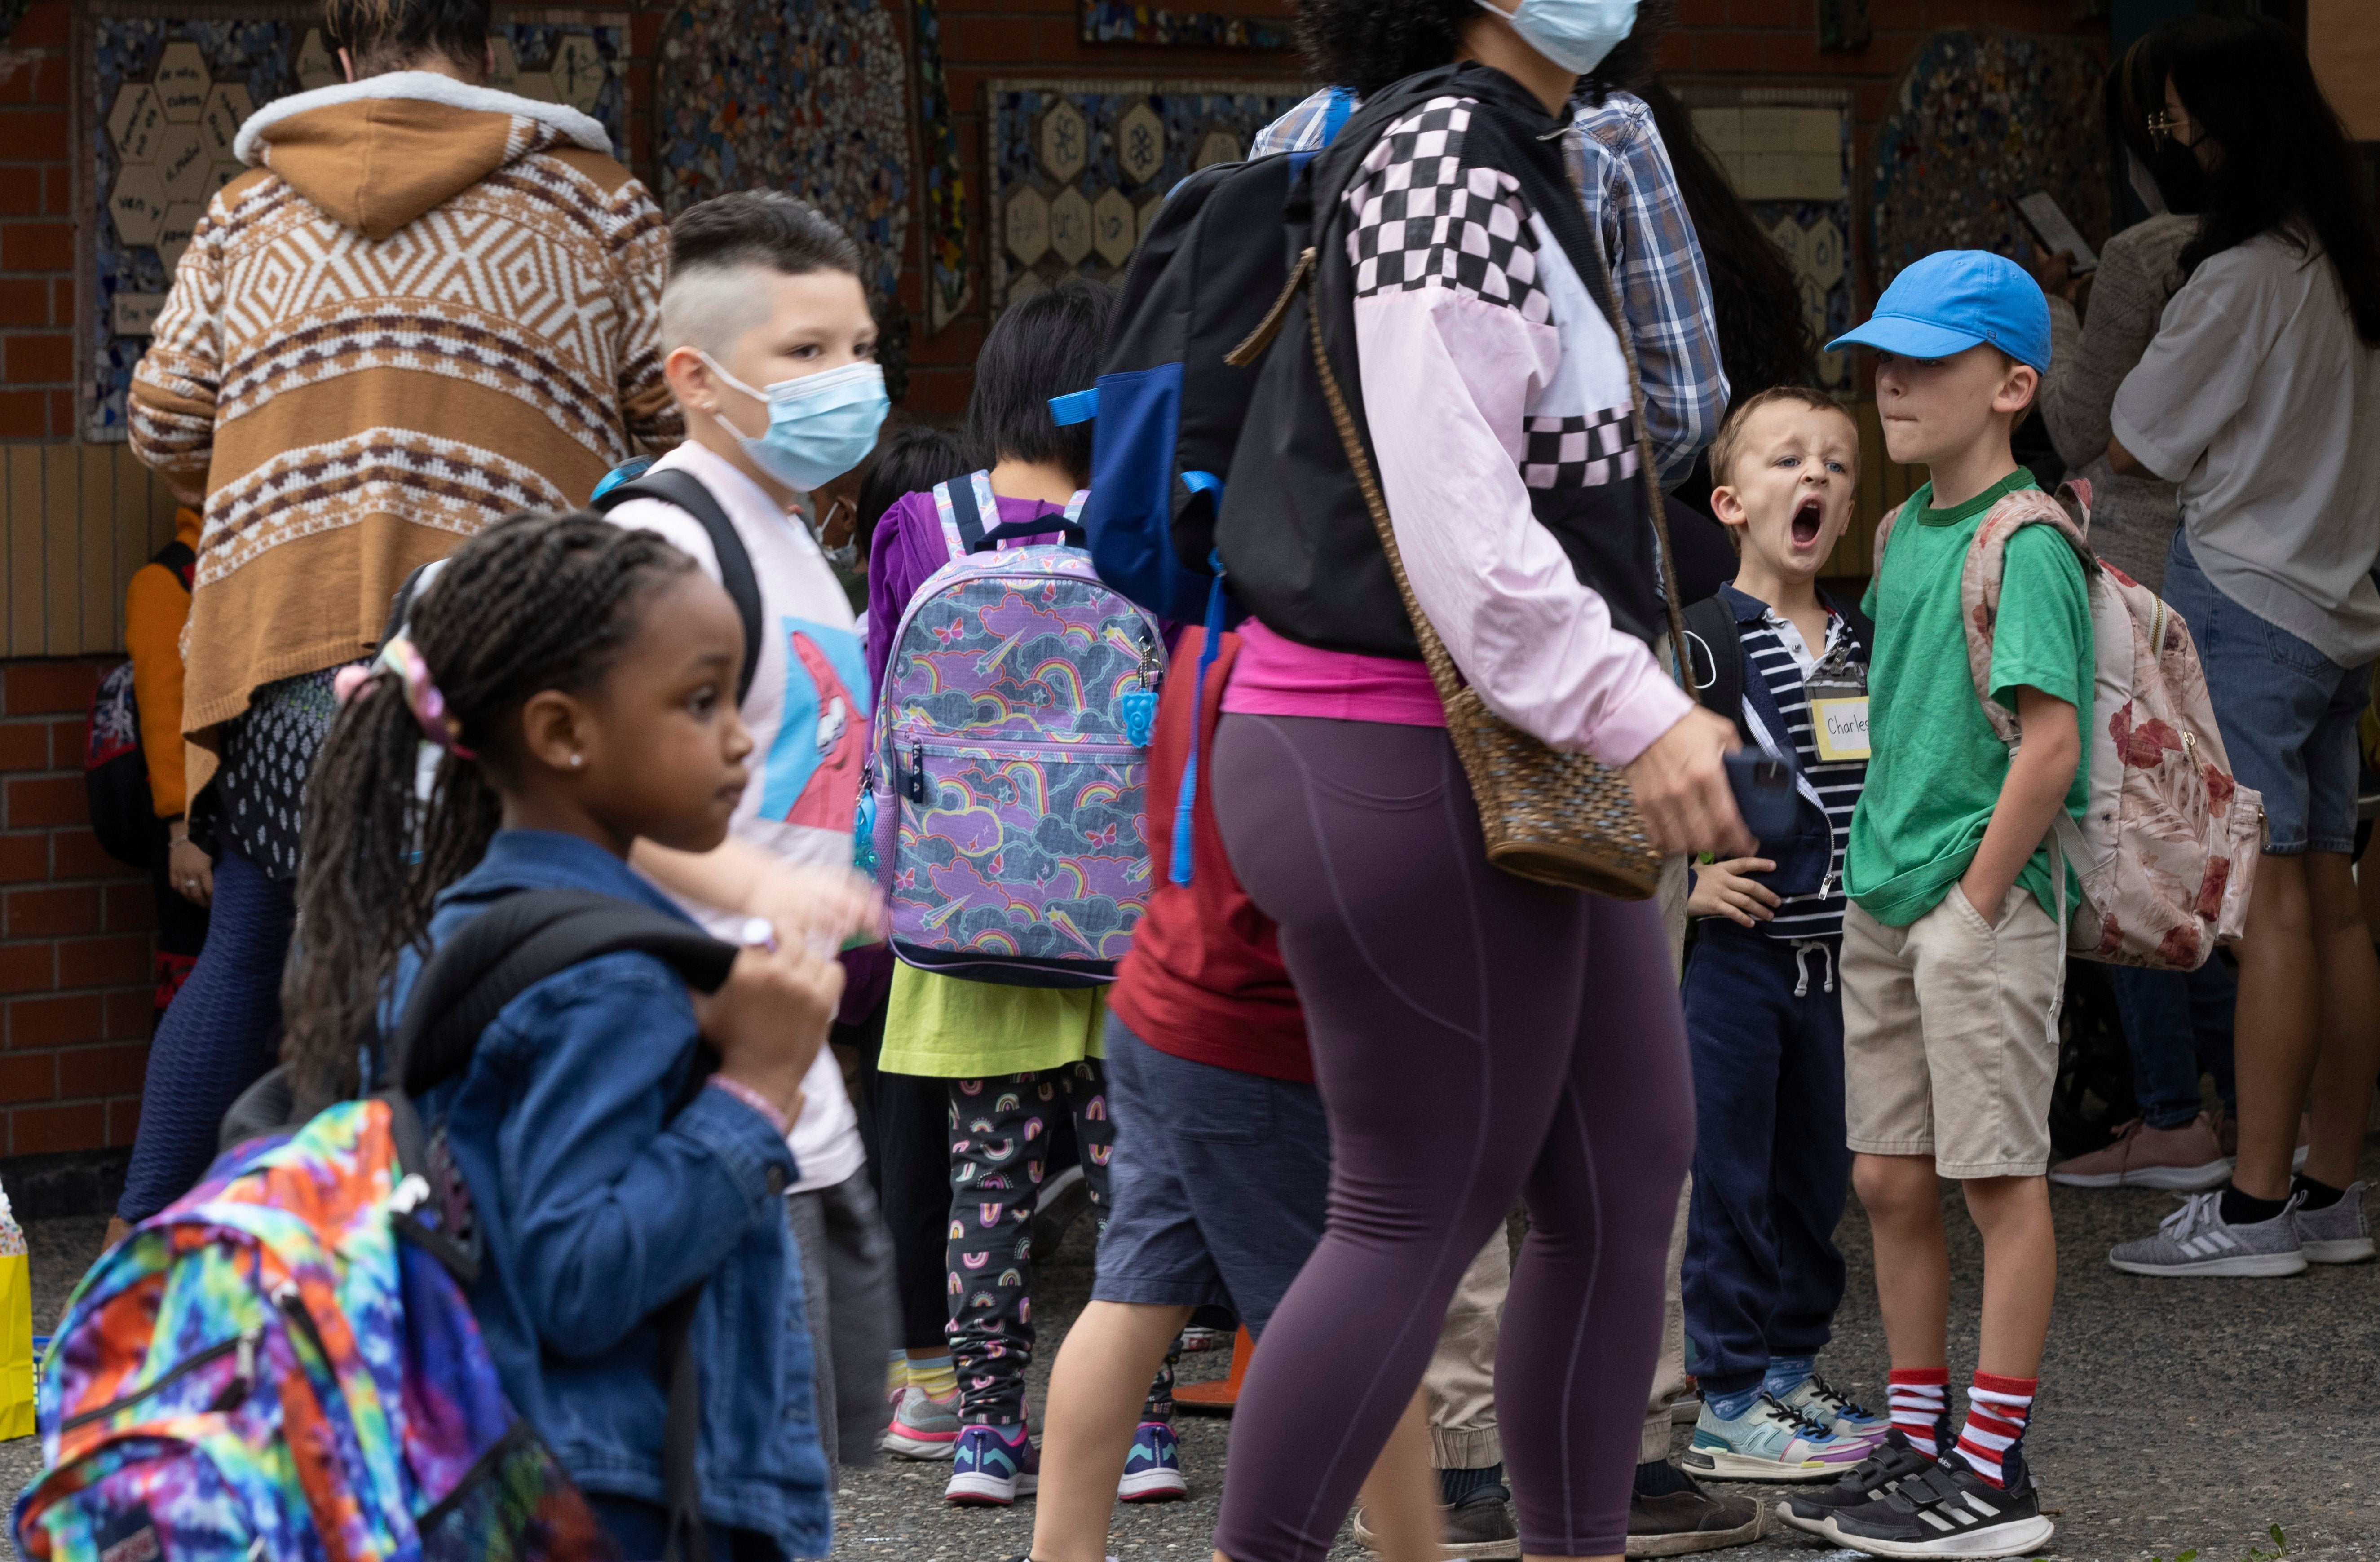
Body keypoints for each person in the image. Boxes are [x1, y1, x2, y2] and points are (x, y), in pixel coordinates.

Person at [1205, 0, 1756, 1553]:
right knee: (1416, 1212)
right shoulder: (1446, 147)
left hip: (1509, 751)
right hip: (1401, 736)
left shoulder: (1530, 141)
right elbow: (1465, 522)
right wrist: (1636, 707)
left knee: (1624, 1171)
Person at [118, 0, 675, 1229]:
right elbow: (675, 413)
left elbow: (162, 421)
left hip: (286, 646)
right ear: (486, 48)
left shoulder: (245, 211)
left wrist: (276, 483)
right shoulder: (595, 202)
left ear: (346, 56)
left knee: (252, 951)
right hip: (508, 646)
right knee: (497, 956)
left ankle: (131, 1263)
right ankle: (467, 1301)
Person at [279, 512, 854, 1557]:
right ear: (560, 732)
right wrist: (759, 1088)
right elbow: (579, 1275)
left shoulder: (449, 932)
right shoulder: (613, 979)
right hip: (617, 1504)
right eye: (698, 700)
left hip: (485, 1479)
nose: (741, 736)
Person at [1018, 623, 1440, 1562]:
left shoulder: (1208, 631)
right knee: (1364, 1327)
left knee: (1135, 1293)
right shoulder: (1324, 655)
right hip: (1261, 1026)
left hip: (1166, 992)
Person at [597, 189, 898, 1469]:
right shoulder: (665, 536)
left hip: (795, 1082)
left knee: (801, 1472)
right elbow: (591, 802)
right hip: (684, 1087)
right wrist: (769, 886)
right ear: (695, 377)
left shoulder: (787, 533)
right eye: (808, 353)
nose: (852, 382)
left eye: (862, 348)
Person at [866, 278, 1179, 1504]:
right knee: (1130, 1182)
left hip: (963, 916)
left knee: (983, 1181)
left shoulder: (918, 527)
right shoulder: (1145, 525)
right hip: (1122, 923)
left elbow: (893, 706)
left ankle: (986, 1433)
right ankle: (1141, 1431)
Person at [1794, 252, 2085, 1556]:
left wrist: (1971, 901)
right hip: (1883, 901)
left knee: (1995, 1180)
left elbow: (2049, 744)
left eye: (1923, 361)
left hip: (1974, 907)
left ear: (2011, 386)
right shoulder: (1900, 527)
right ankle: (1917, 1442)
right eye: (1880, 357)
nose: (1888, 382)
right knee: (1887, 1175)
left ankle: (1988, 1469)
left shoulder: (2022, 538)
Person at [2101, 14, 2380, 1277]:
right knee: (2333, 904)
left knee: (2266, 909)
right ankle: (2329, 1184)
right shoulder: (2350, 256)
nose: (2170, 141)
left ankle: (2255, 1207)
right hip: (2343, 606)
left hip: (2250, 599)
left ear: (2228, 126)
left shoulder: (2240, 274)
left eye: (2177, 119)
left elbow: (2135, 437)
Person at [2028, 35, 2243, 1197]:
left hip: (2135, 571)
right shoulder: (2296, 257)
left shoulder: (2142, 255)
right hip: (2247, 573)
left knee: (2126, 849)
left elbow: (2078, 427)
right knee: (2222, 847)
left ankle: (2167, 1110)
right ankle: (2247, 1095)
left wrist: (2061, 316)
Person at [1676, 388, 1882, 1487]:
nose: (1813, 478)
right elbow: (1630, 776)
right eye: (1786, 460)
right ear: (1730, 500)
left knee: (1817, 1174)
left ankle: (1792, 1369)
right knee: (1732, 1175)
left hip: (1838, 964)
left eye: (1835, 466)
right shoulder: (1698, 642)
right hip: (1738, 967)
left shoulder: (1860, 639)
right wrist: (1688, 885)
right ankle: (1726, 1394)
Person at [836, 425, 982, 1438]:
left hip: (856, 931)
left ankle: (918, 1370)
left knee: (901, 1152)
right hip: (969, 924)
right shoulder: (994, 625)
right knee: (980, 1153)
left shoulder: (846, 637)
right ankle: (954, 1380)